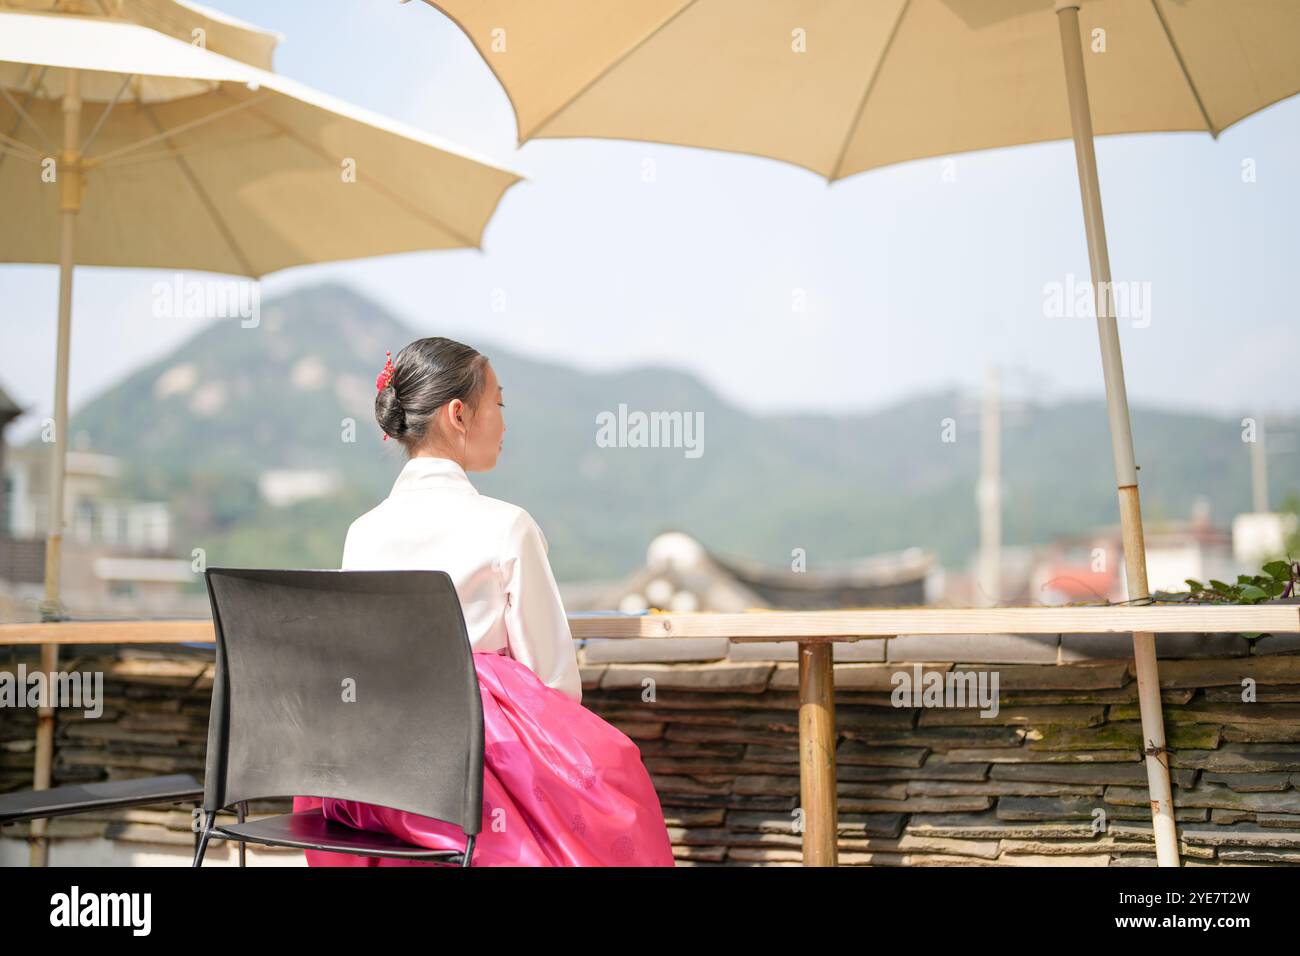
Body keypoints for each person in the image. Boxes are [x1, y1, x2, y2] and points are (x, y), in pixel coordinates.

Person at [292, 336, 674, 867]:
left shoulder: (362, 532)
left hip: (367, 787)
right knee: (619, 784)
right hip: (468, 786)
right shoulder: (505, 526)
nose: (504, 419)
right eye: (498, 402)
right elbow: (555, 684)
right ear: (457, 415)